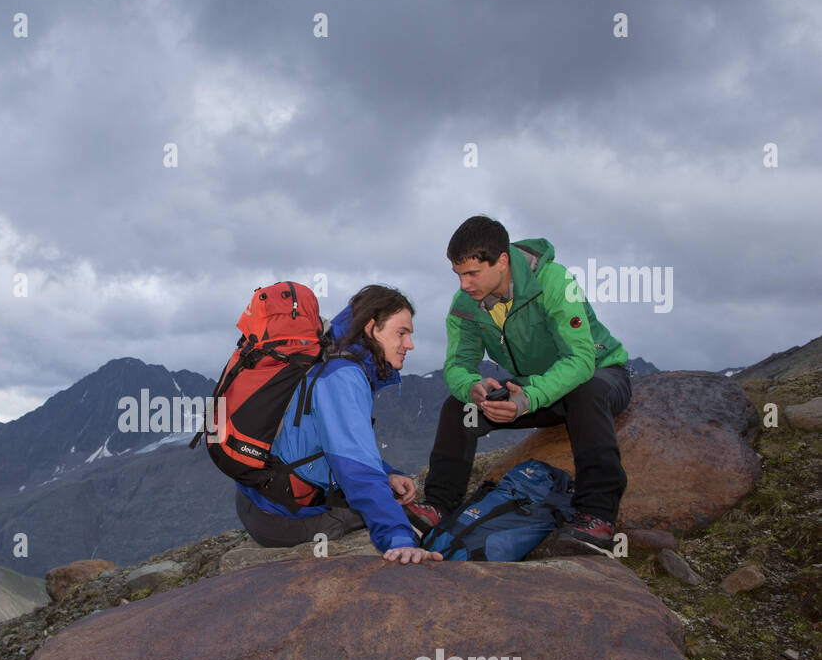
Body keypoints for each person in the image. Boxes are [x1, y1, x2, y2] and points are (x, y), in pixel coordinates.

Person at [403, 216, 632, 555]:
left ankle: (596, 516)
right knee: (458, 408)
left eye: (472, 273)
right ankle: (439, 506)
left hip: (599, 372)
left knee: (588, 392)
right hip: (533, 389)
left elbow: (581, 359)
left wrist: (530, 398)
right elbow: (456, 366)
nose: (464, 284)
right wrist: (472, 387)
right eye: (459, 275)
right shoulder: (465, 305)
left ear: (503, 261)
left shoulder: (554, 281)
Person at [234, 285, 443, 565]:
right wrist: (399, 539)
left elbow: (330, 445)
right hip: (279, 519)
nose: (410, 344)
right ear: (371, 328)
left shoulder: (329, 358)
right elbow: (355, 469)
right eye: (402, 333)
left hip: (259, 501)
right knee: (397, 515)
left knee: (384, 495)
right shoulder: (342, 376)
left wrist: (387, 473)